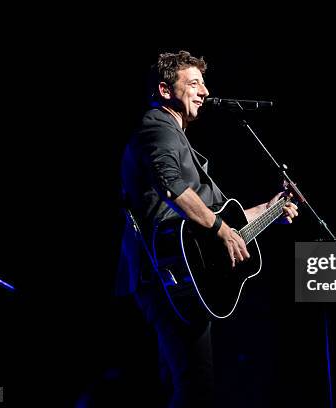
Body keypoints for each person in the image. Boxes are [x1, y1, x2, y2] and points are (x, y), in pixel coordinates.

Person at [116, 50, 298, 407]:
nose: (204, 91)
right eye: (194, 83)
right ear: (165, 90)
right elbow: (171, 186)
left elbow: (221, 220)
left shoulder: (175, 135)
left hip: (183, 276)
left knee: (185, 382)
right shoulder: (158, 125)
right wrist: (222, 230)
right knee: (195, 386)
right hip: (166, 274)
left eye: (204, 83)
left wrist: (270, 209)